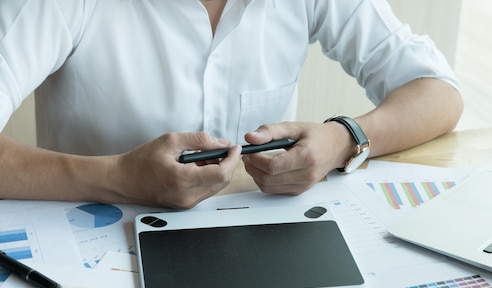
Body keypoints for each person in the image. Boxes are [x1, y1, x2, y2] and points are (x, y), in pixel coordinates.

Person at [0, 0, 463, 209]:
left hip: (257, 249)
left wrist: (344, 139)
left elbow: (439, 93)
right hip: (95, 251)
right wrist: (117, 177)